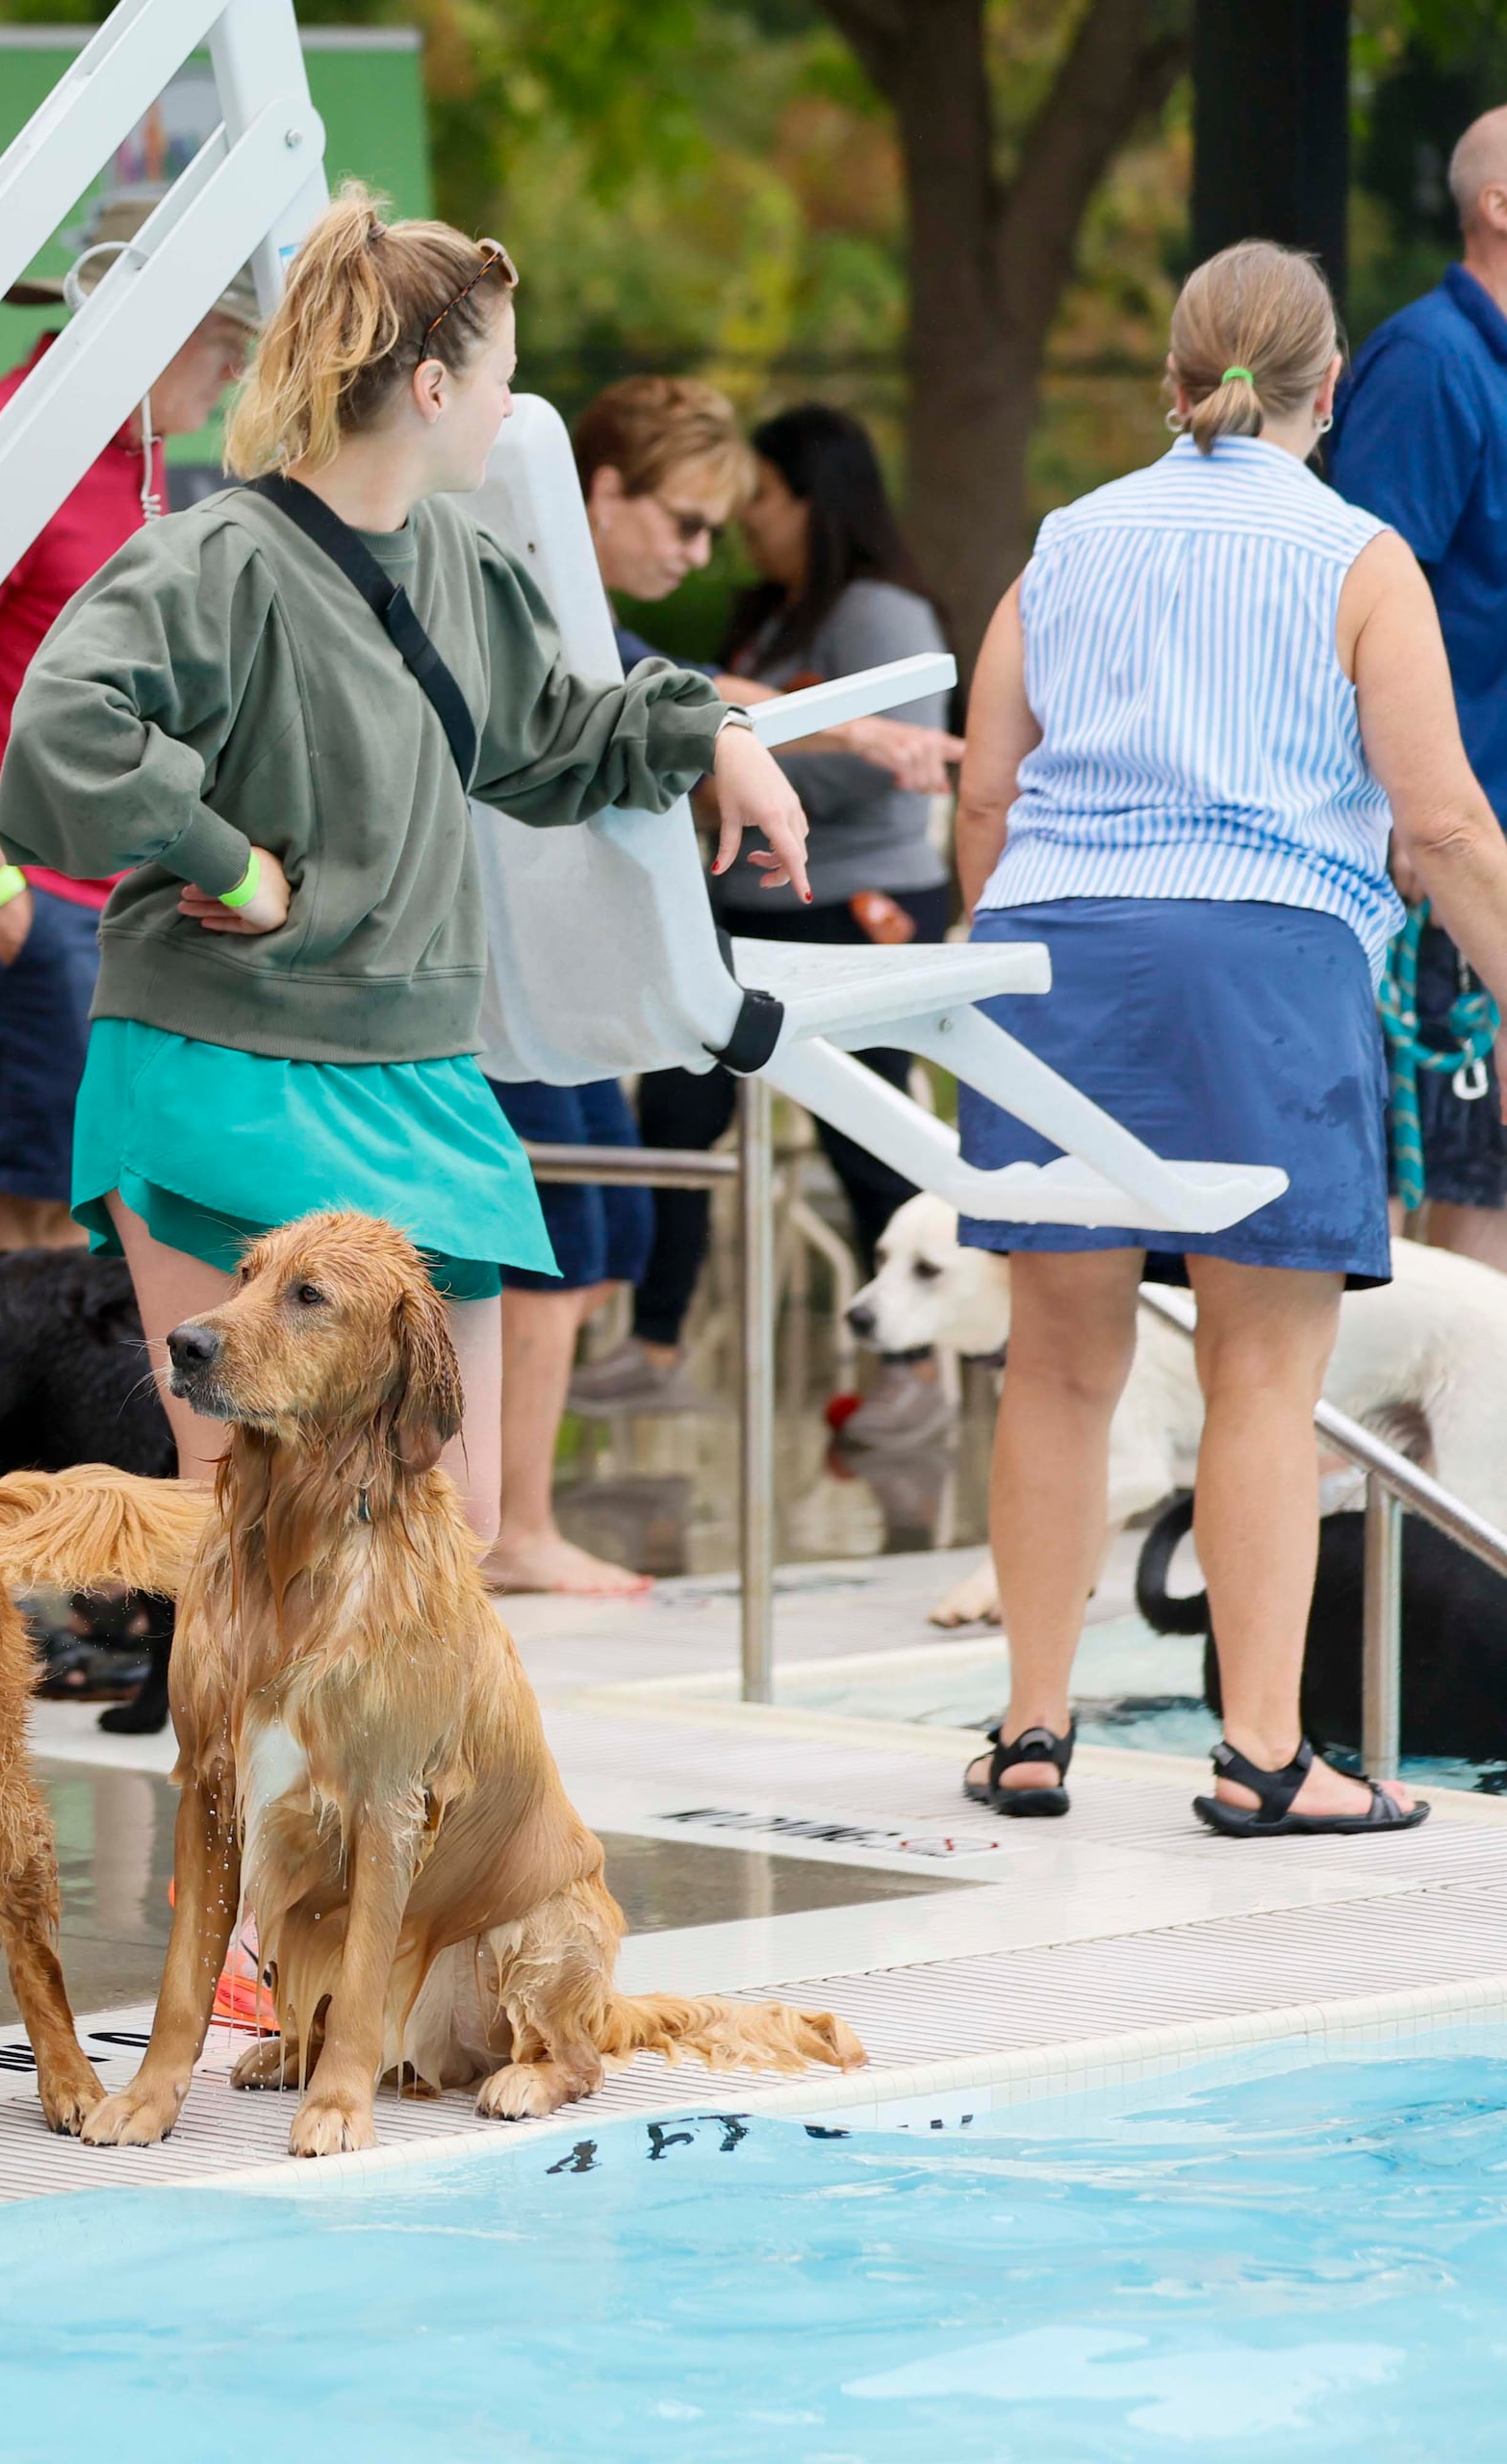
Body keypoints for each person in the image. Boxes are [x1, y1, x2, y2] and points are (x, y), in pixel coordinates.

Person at [0, 188, 811, 1538]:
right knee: (252, 1525)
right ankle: (250, 1763)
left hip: (419, 1079)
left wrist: (711, 727)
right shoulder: (212, 561)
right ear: (433, 384)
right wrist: (228, 862)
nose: (513, 406)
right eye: (501, 375)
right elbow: (66, 734)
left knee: (450, 1526)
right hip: (216, 1066)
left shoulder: (466, 568)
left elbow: (551, 742)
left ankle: (357, 1759)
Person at [952, 240, 1507, 1836]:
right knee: (1262, 1377)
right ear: (1330, 392)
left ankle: (1033, 1733)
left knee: (1055, 1368)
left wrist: (1004, 957)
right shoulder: (1357, 558)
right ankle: (1265, 1757)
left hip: (1057, 958)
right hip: (1266, 963)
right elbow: (1446, 826)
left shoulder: (1062, 543)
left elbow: (987, 787)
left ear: (1172, 385)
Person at [0, 193, 260, 1253]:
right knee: (42, 1261)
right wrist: (1, 896)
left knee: (112, 1251)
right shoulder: (12, 443)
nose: (235, 374)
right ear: (155, 326)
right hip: (29, 915)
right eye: (226, 341)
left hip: (101, 916)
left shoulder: (124, 454)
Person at [591, 406, 962, 1438]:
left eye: (756, 503)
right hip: (738, 906)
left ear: (814, 500)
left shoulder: (880, 610)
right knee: (676, 1115)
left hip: (848, 906)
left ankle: (918, 1365)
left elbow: (887, 770)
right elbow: (711, 716)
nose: (736, 530)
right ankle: (655, 1341)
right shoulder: (772, 613)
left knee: (868, 1133)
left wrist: (732, 780)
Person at [476, 378, 759, 1594]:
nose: (695, 552)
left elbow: (676, 688)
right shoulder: (526, 595)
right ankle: (507, 1528)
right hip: (504, 972)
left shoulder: (573, 609)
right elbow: (674, 699)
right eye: (684, 522)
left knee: (601, 1236)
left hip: (550, 968)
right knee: (549, 1241)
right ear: (599, 490)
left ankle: (505, 1515)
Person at [1334, 104, 1507, 1275]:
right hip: (1446, 844)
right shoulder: (1432, 364)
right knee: (1458, 1191)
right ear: (1499, 205)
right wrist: (1405, 812)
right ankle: (1409, 1464)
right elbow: (1356, 606)